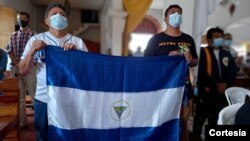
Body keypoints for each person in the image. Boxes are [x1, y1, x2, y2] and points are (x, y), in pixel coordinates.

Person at [19, 2, 88, 141]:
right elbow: (22, 70)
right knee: (42, 135)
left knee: (69, 135)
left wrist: (75, 56)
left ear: (66, 20)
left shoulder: (77, 42)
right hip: (44, 98)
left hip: (70, 98)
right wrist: (32, 51)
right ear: (46, 21)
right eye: (54, 14)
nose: (58, 16)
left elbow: (87, 73)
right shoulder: (36, 40)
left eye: (62, 14)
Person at [144, 4, 198, 141]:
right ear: (165, 19)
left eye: (179, 13)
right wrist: (166, 59)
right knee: (163, 123)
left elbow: (196, 61)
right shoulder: (156, 40)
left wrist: (191, 59)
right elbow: (147, 64)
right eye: (173, 12)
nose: (177, 15)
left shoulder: (188, 39)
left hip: (185, 90)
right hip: (163, 90)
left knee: (183, 125)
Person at [192, 27, 237, 140]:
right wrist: (214, 86)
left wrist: (226, 84)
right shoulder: (202, 52)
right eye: (216, 37)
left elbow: (233, 70)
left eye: (221, 37)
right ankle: (196, 137)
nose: (220, 39)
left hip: (221, 93)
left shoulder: (226, 54)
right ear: (209, 39)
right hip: (206, 92)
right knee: (200, 118)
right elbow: (201, 73)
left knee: (216, 119)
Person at [6, 11, 36, 127]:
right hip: (16, 67)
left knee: (34, 96)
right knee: (20, 98)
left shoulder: (34, 35)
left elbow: (35, 53)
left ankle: (38, 122)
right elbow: (10, 52)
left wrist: (26, 65)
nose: (20, 20)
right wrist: (19, 66)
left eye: (23, 18)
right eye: (19, 18)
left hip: (30, 68)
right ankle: (22, 122)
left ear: (28, 20)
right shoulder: (13, 35)